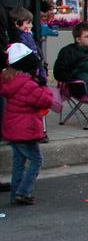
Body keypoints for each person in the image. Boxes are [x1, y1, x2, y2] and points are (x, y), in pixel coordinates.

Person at [1, 44, 54, 205]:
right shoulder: (28, 85)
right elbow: (46, 101)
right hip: (26, 129)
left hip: (13, 129)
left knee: (19, 162)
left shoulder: (10, 80)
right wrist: (44, 86)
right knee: (36, 160)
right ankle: (23, 191)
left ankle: (15, 193)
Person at [9, 7, 47, 86]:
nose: (31, 25)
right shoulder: (23, 37)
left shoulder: (26, 36)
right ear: (17, 23)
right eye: (28, 23)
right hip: (29, 74)